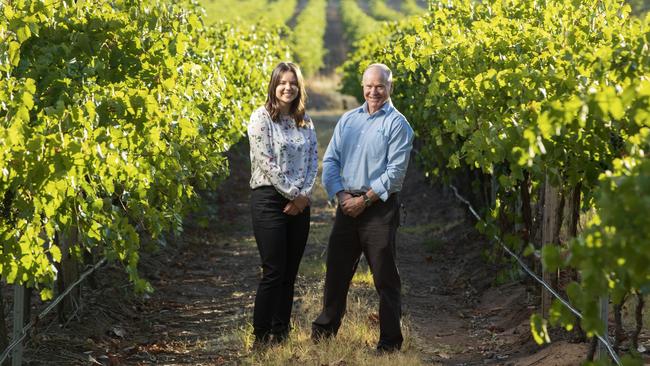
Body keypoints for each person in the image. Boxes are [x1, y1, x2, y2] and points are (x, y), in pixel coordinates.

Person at [311, 63, 414, 353]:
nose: (373, 91)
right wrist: (340, 195)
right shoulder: (348, 120)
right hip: (347, 205)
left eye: (379, 86)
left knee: (384, 276)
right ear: (362, 87)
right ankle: (325, 330)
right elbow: (330, 160)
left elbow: (395, 173)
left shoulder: (398, 124)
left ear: (390, 87)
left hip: (379, 207)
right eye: (369, 86)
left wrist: (365, 199)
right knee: (336, 271)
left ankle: (390, 342)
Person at [247, 62, 318, 347]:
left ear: (299, 87)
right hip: (268, 200)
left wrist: (304, 197)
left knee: (290, 273)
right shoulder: (261, 119)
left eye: (293, 83)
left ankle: (281, 332)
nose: (287, 87)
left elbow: (314, 161)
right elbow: (267, 163)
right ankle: (261, 336)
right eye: (282, 82)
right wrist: (293, 195)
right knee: (274, 270)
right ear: (274, 85)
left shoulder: (305, 121)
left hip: (300, 202)